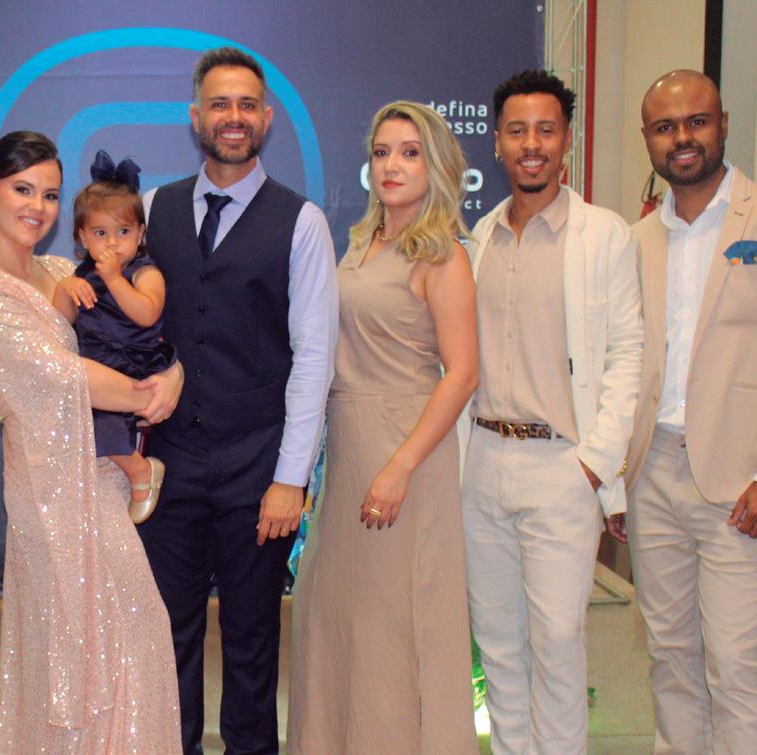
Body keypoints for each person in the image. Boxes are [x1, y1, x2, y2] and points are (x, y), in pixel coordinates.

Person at [0, 130, 183, 753]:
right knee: (84, 652)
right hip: (49, 494)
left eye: (50, 194)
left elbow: (141, 333)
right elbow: (61, 374)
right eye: (23, 190)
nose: (38, 206)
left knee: (130, 640)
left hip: (100, 477)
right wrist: (144, 396)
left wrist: (172, 374)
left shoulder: (58, 270)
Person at [137, 47, 339, 754]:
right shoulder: (153, 210)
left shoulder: (302, 222)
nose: (233, 117)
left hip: (258, 466)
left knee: (252, 640)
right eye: (219, 104)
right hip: (169, 465)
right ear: (196, 117)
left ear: (267, 118)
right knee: (168, 635)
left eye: (247, 105)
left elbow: (314, 358)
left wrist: (290, 479)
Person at [288, 101, 479, 753]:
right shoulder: (357, 242)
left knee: (392, 626)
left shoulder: (443, 255)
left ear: (437, 166)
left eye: (409, 152)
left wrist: (398, 467)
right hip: (346, 449)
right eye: (381, 152)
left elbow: (462, 373)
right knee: (334, 616)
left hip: (405, 451)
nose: (392, 165)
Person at [461, 70, 642, 754]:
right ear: (497, 143)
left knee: (558, 646)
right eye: (516, 131)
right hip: (482, 463)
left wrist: (593, 464)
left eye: (545, 130)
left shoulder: (604, 235)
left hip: (561, 467)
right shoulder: (479, 238)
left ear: (567, 140)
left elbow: (627, 353)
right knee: (499, 650)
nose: (530, 144)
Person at [624, 69, 757, 754]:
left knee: (735, 668)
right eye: (665, 126)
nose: (681, 137)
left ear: (723, 124)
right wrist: (617, 478)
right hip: (652, 475)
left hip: (738, 486)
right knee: (671, 659)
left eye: (696, 121)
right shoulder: (637, 238)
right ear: (647, 139)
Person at [53, 150, 175, 524]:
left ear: (140, 234)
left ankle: (141, 471)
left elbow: (147, 312)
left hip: (133, 364)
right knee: (78, 423)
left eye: (123, 232)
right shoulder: (83, 275)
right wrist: (66, 287)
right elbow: (59, 322)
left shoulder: (144, 272)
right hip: (94, 363)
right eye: (100, 233)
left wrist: (114, 279)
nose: (112, 244)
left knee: (101, 423)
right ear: (82, 237)